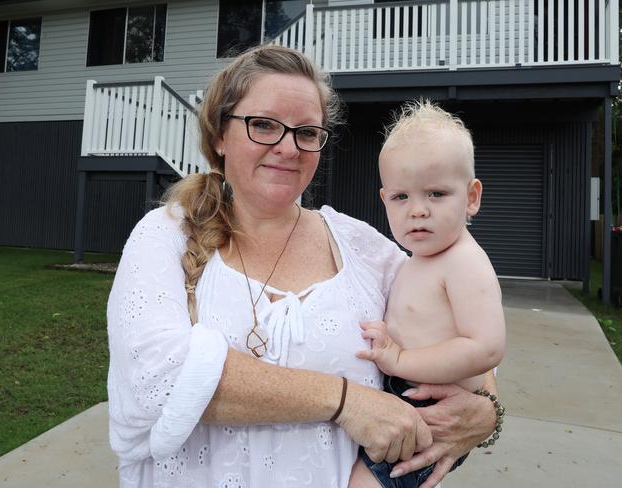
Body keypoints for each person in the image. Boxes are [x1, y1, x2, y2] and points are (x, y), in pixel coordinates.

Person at [107, 45, 500, 488]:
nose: (288, 147)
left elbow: (461, 341)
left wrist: (485, 411)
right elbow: (157, 382)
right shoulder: (165, 235)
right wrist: (347, 401)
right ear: (220, 134)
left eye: (307, 132)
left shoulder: (361, 247)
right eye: (264, 125)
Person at [350, 101, 506, 488]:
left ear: (471, 197)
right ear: (385, 200)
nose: (417, 211)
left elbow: (486, 348)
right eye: (402, 197)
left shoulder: (464, 262)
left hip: (430, 408)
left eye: (436, 194)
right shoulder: (417, 258)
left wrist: (401, 358)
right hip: (401, 395)